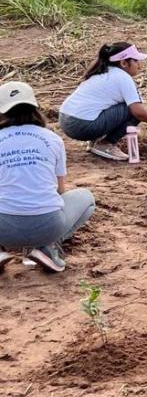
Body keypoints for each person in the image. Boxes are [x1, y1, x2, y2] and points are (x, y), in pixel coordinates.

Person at [0, 82, 95, 273]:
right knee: (86, 198)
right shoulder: (52, 138)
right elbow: (60, 190)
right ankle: (48, 247)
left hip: (3, 229)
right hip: (48, 226)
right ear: (36, 108)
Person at [59, 43, 147, 161]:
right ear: (124, 63)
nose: (139, 65)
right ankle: (106, 144)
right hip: (82, 125)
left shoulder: (101, 72)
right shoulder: (122, 77)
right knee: (132, 110)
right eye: (136, 61)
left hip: (65, 120)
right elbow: (138, 111)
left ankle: (94, 142)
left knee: (117, 105)